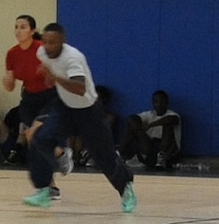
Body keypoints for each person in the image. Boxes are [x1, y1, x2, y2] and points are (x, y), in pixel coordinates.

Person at [21, 24, 136, 213]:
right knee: (40, 138)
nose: (48, 46)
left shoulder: (73, 57)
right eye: (45, 41)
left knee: (104, 157)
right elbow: (51, 78)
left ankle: (126, 188)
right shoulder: (42, 52)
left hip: (88, 111)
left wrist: (54, 77)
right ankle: (44, 189)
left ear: (62, 41)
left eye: (53, 42)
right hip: (64, 107)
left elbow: (80, 88)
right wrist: (49, 79)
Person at [0, 14, 52, 167]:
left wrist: (48, 72)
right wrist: (7, 83)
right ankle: (47, 172)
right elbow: (10, 87)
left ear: (32, 30)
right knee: (30, 135)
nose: (18, 31)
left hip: (49, 96)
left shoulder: (43, 49)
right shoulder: (12, 53)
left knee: (36, 130)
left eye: (23, 27)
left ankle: (56, 157)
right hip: (29, 99)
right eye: (16, 27)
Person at [121, 89, 183, 171]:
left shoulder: (173, 114)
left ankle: (161, 158)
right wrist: (136, 124)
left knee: (167, 125)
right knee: (133, 126)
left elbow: (170, 119)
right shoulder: (149, 114)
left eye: (162, 101)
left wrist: (150, 125)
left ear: (167, 102)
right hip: (149, 149)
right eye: (156, 101)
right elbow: (131, 118)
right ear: (152, 102)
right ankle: (120, 152)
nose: (159, 104)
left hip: (167, 151)